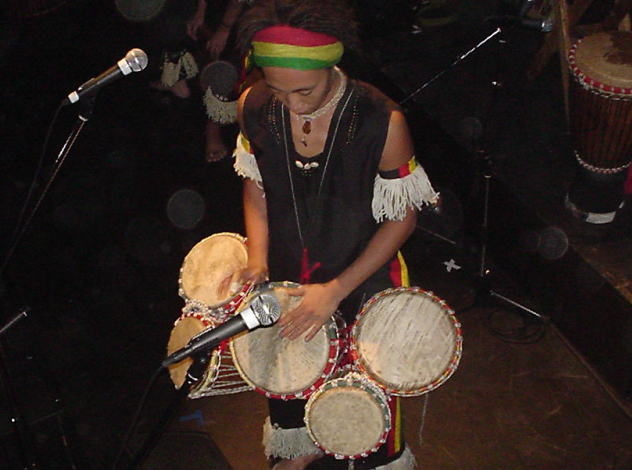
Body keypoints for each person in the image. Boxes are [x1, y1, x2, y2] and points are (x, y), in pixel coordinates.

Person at [232, 1, 438, 468]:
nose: (291, 104)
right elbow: (255, 185)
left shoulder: (381, 121)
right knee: (290, 376)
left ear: (330, 65)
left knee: (363, 404)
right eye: (278, 89)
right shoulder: (254, 105)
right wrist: (257, 257)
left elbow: (402, 219)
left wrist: (336, 289)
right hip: (288, 266)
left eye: (303, 91)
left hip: (364, 274)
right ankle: (302, 448)